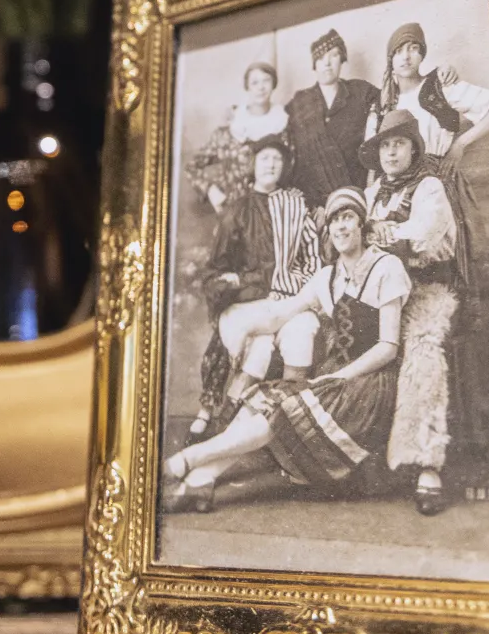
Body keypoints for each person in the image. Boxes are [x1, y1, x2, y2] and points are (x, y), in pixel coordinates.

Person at [162, 188, 410, 512]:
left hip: (369, 386)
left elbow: (388, 347)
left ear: (362, 224)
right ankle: (200, 480)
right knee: (263, 401)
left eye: (348, 217)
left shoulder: (386, 267)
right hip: (335, 378)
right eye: (334, 220)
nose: (341, 227)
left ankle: (187, 460)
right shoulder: (327, 277)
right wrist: (246, 329)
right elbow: (281, 313)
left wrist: (339, 377)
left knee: (282, 410)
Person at [187, 135, 320, 441]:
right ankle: (221, 417)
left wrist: (297, 283)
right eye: (264, 158)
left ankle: (287, 422)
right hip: (251, 301)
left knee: (302, 332)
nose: (271, 164)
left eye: (277, 159)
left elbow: (311, 255)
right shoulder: (239, 209)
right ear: (254, 164)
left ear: (284, 166)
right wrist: (235, 283)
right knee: (257, 346)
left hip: (289, 300)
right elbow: (217, 267)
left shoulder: (295, 204)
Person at [361, 109, 460, 516]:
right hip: (383, 294)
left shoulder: (429, 187)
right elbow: (356, 231)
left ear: (413, 149)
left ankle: (426, 465)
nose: (391, 153)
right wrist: (371, 231)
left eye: (398, 144)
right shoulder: (373, 193)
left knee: (422, 350)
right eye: (385, 145)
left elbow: (425, 234)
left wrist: (383, 232)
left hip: (424, 289)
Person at [376, 22, 489, 169]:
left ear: (421, 55)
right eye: (399, 51)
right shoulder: (386, 102)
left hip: (436, 174)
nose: (406, 57)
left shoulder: (438, 86)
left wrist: (460, 144)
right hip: (398, 180)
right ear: (391, 59)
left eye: (413, 49)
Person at [284, 28, 379, 212]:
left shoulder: (361, 93)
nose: (327, 63)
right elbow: (284, 150)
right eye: (320, 58)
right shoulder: (299, 103)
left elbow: (392, 103)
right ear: (314, 64)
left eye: (334, 55)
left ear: (342, 59)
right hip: (313, 205)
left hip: (357, 197)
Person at [185, 61, 288, 214]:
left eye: (266, 81)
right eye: (255, 82)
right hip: (234, 214)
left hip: (274, 213)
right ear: (247, 87)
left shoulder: (283, 126)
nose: (261, 87)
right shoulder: (229, 131)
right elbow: (192, 167)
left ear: (274, 84)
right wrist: (211, 190)